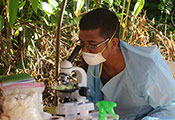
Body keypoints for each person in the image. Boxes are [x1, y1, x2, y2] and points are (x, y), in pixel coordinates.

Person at [79, 8, 175, 120]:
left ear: (113, 43)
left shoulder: (146, 67)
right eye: (81, 43)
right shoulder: (95, 63)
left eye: (92, 45)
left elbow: (171, 108)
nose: (84, 50)